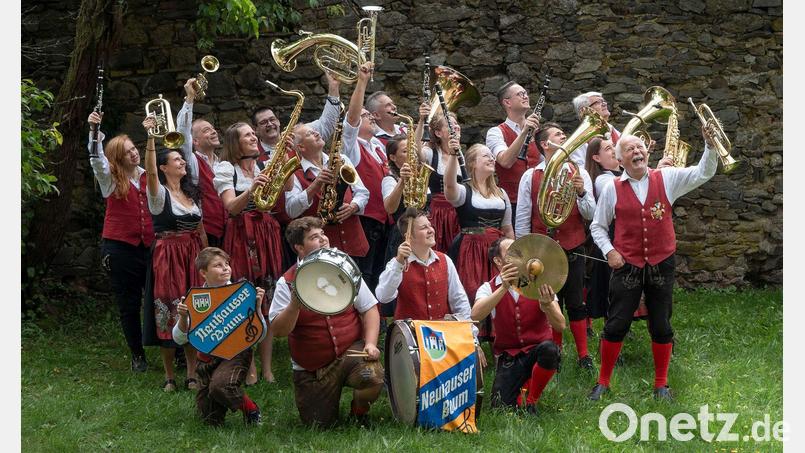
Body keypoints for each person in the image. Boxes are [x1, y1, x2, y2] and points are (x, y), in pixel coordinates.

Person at [587, 129, 719, 401]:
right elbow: (598, 226)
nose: (637, 152)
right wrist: (609, 251)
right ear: (621, 160)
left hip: (662, 262)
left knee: (661, 324)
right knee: (616, 324)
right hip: (627, 264)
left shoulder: (666, 178)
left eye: (640, 148)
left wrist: (710, 145)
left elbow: (703, 173)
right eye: (629, 149)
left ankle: (661, 385)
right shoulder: (612, 188)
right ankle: (603, 382)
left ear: (647, 153)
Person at [269, 216, 384, 428]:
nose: (323, 239)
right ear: (299, 248)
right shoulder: (286, 282)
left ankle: (359, 412)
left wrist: (370, 343)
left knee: (373, 376)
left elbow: (369, 308)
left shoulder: (344, 266)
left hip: (350, 352)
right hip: (313, 367)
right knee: (319, 425)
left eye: (322, 234)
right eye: (314, 237)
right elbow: (278, 331)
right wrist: (294, 305)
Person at [515, 122, 597, 372]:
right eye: (559, 134)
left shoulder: (578, 171)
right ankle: (556, 351)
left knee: (575, 300)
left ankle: (584, 355)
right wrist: (522, 253)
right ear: (545, 144)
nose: (565, 136)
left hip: (573, 244)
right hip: (542, 249)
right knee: (550, 300)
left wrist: (582, 192)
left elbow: (591, 213)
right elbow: (522, 217)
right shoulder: (531, 175)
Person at [213, 122, 284, 385]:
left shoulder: (263, 165)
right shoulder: (225, 169)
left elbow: (283, 194)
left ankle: (267, 367)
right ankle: (249, 365)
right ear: (235, 142)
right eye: (248, 135)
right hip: (242, 234)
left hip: (266, 232)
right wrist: (252, 188)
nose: (254, 137)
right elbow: (231, 207)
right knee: (245, 299)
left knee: (267, 298)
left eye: (254, 134)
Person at [284, 64, 373, 262]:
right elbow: (291, 209)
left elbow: (363, 192)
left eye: (314, 130)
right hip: (322, 253)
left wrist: (354, 206)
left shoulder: (342, 159)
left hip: (355, 244)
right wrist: (315, 185)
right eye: (309, 133)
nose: (316, 132)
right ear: (301, 147)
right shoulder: (295, 171)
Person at [141, 114, 204, 392]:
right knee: (168, 309)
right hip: (168, 254)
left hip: (193, 253)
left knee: (193, 308)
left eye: (182, 159)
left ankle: (191, 373)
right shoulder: (159, 194)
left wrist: (208, 253)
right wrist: (151, 140)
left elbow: (200, 228)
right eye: (177, 160)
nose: (182, 162)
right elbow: (150, 172)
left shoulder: (191, 195)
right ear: (165, 168)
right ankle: (169, 376)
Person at [87, 111, 154, 373]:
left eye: (134, 148)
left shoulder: (149, 173)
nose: (134, 153)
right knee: (128, 304)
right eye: (127, 152)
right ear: (117, 157)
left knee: (159, 299)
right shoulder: (110, 179)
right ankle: (137, 354)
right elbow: (96, 160)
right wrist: (94, 130)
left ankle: (174, 349)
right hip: (120, 248)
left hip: (148, 246)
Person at [172, 247, 266, 426]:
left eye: (227, 264)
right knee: (209, 420)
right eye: (218, 265)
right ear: (203, 272)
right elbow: (179, 339)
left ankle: (251, 409)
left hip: (236, 354)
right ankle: (221, 397)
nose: (225, 268)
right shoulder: (196, 298)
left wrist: (258, 309)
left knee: (221, 386)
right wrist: (183, 317)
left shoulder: (242, 293)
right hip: (206, 359)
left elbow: (260, 337)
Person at [472, 238, 565, 413]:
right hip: (510, 356)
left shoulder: (540, 280)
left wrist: (547, 305)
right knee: (500, 407)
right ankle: (523, 388)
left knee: (550, 350)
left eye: (520, 251)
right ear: (498, 261)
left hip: (538, 350)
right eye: (512, 251)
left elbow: (560, 325)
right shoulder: (488, 287)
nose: (520, 256)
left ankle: (531, 400)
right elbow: (475, 315)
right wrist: (504, 288)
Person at [444, 143, 514, 340]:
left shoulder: (501, 193)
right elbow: (449, 186)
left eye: (492, 155)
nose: (492, 158)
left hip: (497, 252)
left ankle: (500, 339)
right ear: (473, 163)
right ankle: (471, 340)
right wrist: (452, 155)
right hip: (471, 249)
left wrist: (514, 256)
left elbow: (507, 228)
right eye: (486, 156)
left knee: (500, 292)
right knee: (472, 291)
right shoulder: (464, 191)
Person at [338, 63, 390, 292]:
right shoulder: (351, 146)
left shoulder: (378, 145)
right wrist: (361, 82)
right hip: (365, 218)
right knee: (364, 271)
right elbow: (351, 120)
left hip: (383, 219)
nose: (370, 118)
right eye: (366, 115)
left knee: (381, 270)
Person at [176, 78, 228, 248]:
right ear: (195, 142)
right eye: (206, 130)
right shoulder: (192, 161)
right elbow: (182, 133)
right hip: (206, 232)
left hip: (228, 231)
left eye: (213, 129)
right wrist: (189, 99)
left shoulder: (223, 163)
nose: (213, 131)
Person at [485, 81, 544, 230]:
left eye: (525, 93)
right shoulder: (496, 132)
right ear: (507, 102)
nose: (526, 96)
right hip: (513, 203)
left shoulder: (538, 133)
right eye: (520, 94)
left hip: (538, 202)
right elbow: (505, 161)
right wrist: (524, 132)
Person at [252, 72, 342, 160]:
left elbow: (327, 124)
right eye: (263, 122)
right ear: (255, 129)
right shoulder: (253, 155)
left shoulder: (298, 134)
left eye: (272, 119)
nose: (270, 124)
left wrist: (333, 87)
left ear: (278, 121)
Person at [417, 110, 463, 253]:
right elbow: (415, 149)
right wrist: (421, 120)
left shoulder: (461, 156)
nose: (455, 127)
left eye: (456, 124)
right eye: (450, 125)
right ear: (438, 133)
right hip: (438, 212)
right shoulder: (431, 153)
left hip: (457, 211)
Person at [569, 91, 620, 167]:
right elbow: (581, 169)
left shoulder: (614, 131)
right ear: (585, 111)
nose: (604, 104)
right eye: (597, 102)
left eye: (603, 101)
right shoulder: (580, 141)